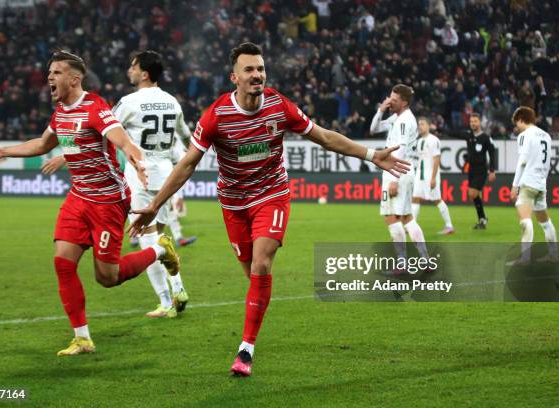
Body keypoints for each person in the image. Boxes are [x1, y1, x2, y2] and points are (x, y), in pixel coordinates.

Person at [128, 42, 410, 377]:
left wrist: (370, 154)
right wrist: (154, 205)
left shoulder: (280, 106)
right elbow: (188, 163)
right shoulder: (217, 115)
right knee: (253, 275)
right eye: (249, 69)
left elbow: (322, 136)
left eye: (260, 68)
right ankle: (254, 314)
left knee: (262, 264)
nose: (257, 75)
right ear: (235, 77)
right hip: (233, 203)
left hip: (271, 195)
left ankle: (245, 349)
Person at [0, 50, 180, 355]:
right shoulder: (61, 112)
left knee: (107, 278)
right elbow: (43, 144)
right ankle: (82, 338)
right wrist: (3, 153)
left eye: (55, 72)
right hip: (78, 198)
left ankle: (160, 248)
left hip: (108, 200)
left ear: (74, 78)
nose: (49, 77)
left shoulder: (95, 107)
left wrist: (137, 161)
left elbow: (123, 140)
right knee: (62, 262)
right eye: (49, 72)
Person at [42, 51, 193, 318]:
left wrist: (65, 155)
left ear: (144, 73)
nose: (129, 70)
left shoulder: (129, 102)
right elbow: (186, 138)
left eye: (133, 67)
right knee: (158, 232)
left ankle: (166, 301)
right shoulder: (172, 102)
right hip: (167, 174)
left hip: (140, 173)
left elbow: (97, 131)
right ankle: (178, 287)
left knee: (146, 238)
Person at [370, 84, 429, 273]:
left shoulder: (404, 121)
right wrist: (381, 109)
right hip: (402, 171)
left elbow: (402, 147)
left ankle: (402, 263)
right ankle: (425, 261)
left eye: (394, 100)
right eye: (389, 98)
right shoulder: (397, 117)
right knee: (407, 218)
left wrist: (395, 177)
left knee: (391, 217)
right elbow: (373, 129)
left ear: (404, 102)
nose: (390, 102)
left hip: (397, 171)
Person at [508, 106, 558, 265]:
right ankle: (553, 255)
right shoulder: (546, 136)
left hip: (528, 181)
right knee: (545, 221)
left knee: (524, 219)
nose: (517, 128)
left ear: (521, 119)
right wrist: (542, 179)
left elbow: (522, 162)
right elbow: (548, 162)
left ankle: (525, 258)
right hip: (541, 183)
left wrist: (515, 185)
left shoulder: (524, 135)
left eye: (517, 124)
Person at [449, 113, 496, 229]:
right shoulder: (469, 135)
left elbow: (492, 154)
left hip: (481, 170)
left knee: (473, 193)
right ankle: (482, 219)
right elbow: (456, 134)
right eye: (471, 122)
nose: (473, 123)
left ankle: (482, 219)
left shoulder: (485, 138)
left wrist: (492, 170)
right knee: (473, 195)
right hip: (471, 170)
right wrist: (439, 129)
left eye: (475, 121)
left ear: (480, 122)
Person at [411, 117, 454, 235]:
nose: (420, 126)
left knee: (437, 200)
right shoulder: (419, 141)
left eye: (422, 124)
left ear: (429, 126)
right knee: (414, 198)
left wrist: (433, 177)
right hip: (420, 175)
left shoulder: (433, 140)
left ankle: (449, 226)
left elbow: (436, 159)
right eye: (419, 124)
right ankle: (412, 225)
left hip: (430, 175)